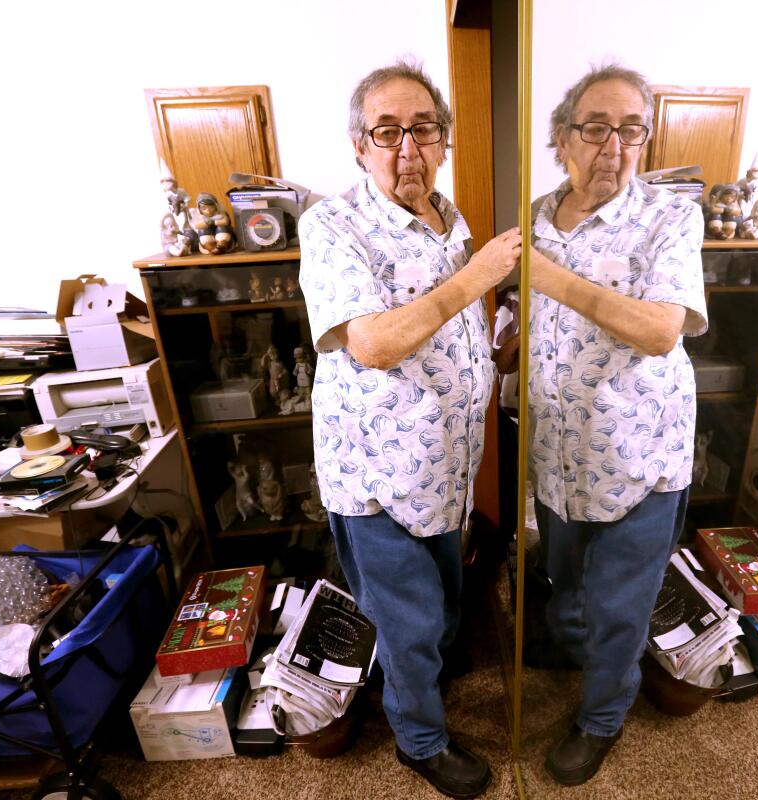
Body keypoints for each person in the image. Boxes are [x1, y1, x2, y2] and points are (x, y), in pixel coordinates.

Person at [298, 59, 520, 799]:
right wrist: (479, 276)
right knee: (408, 621)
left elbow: (448, 333)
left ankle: (421, 684)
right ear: (359, 146)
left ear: (443, 139)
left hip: (446, 472)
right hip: (380, 476)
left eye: (423, 129)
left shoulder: (447, 219)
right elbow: (376, 344)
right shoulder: (333, 226)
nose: (407, 149)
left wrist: (500, 346)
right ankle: (419, 742)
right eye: (387, 132)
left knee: (439, 607)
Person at [528, 63, 708, 786]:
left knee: (620, 604)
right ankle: (573, 650)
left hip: (641, 454)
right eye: (596, 127)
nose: (614, 145)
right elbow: (531, 320)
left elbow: (662, 329)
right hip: (557, 452)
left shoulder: (670, 218)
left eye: (630, 129)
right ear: (563, 139)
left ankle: (601, 717)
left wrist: (546, 276)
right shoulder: (537, 214)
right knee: (563, 578)